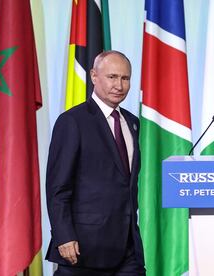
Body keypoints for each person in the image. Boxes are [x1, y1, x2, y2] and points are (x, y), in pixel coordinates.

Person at [46, 50, 145, 275]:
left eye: (125, 78)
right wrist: (64, 235)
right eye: (112, 77)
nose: (119, 85)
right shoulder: (72, 121)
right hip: (83, 250)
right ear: (93, 76)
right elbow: (58, 188)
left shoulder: (132, 122)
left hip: (128, 250)